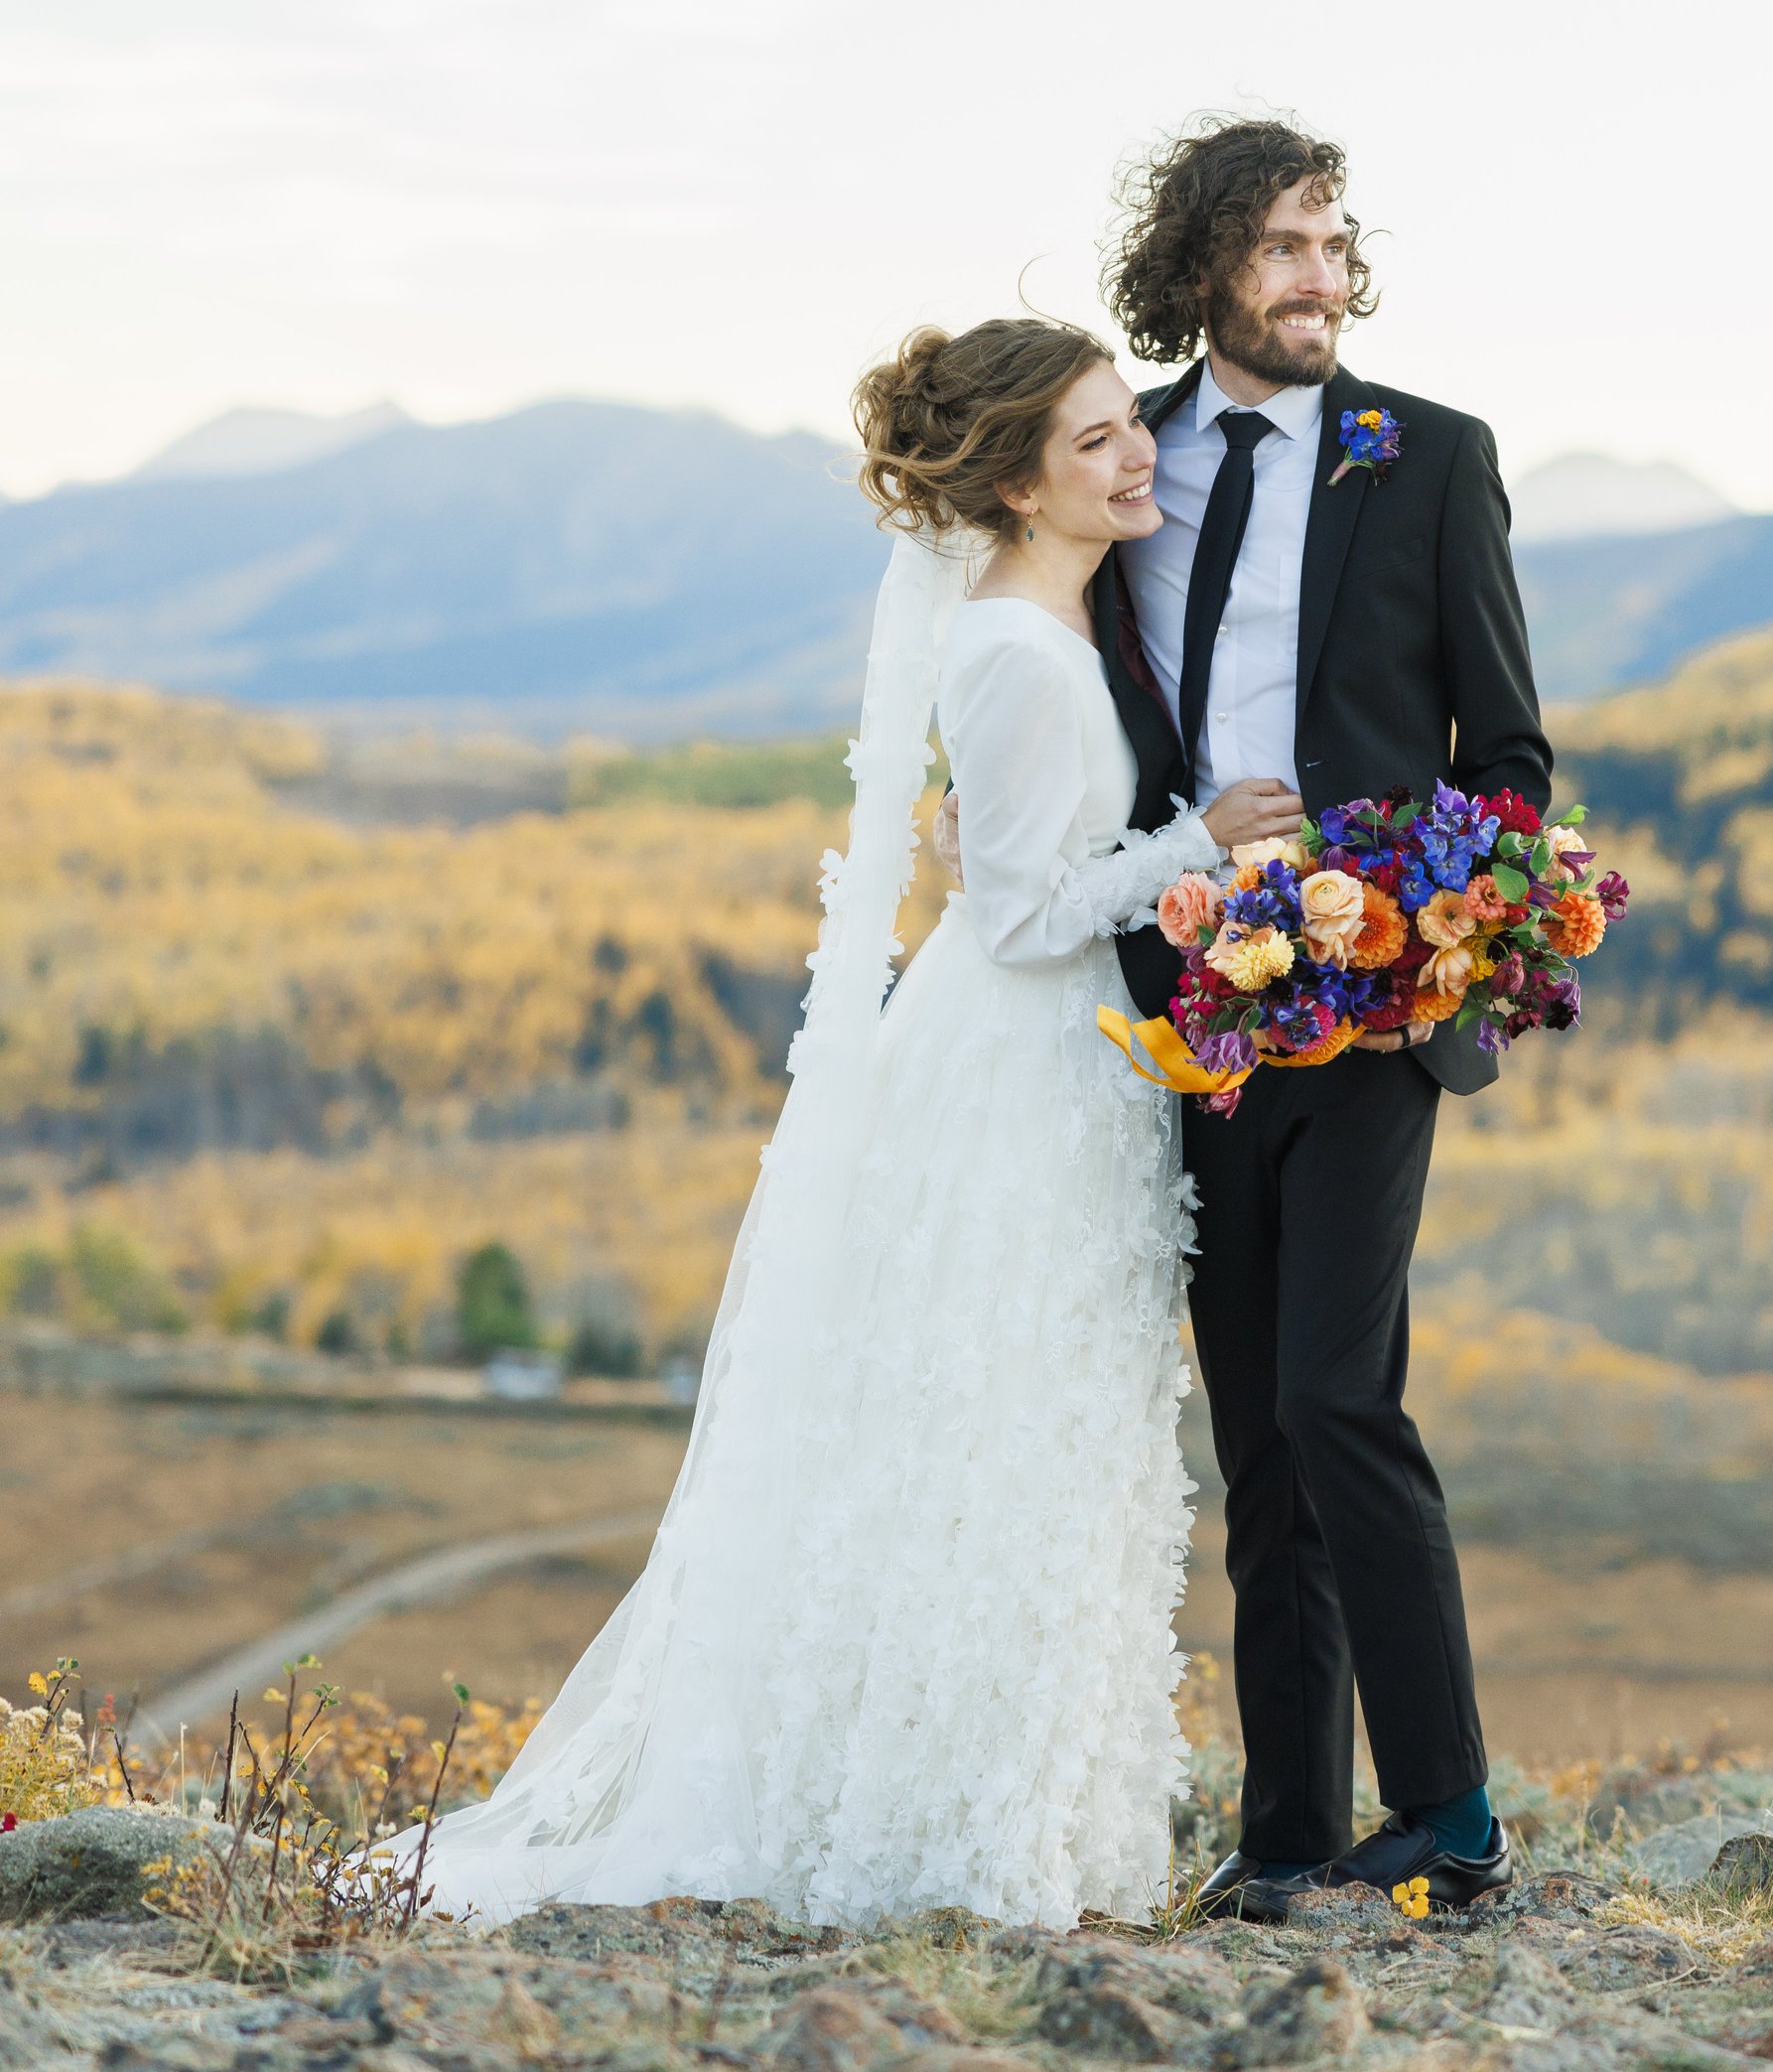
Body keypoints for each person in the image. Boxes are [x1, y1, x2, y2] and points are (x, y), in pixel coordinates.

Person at [401, 319, 1296, 1931]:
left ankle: (1009, 1816)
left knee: (1037, 1430)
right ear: (1020, 486)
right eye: (1091, 441)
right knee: (991, 1422)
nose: (1131, 455)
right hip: (1020, 1074)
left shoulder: (1053, 623)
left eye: (1124, 426)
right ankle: (937, 1829)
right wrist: (1204, 840)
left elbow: (999, 865)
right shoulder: (1019, 652)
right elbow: (1024, 918)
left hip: (1065, 1072)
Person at [946, 118, 1554, 1918]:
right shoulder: (1124, 454)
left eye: (1332, 243)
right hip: (1181, 1014)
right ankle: (1289, 1835)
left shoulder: (1432, 457)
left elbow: (1506, 753)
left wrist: (1453, 919)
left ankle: (1449, 1813)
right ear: (1205, 268)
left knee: (1336, 1398)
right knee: (1260, 1444)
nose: (1317, 277)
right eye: (1281, 247)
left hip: (1370, 1002)